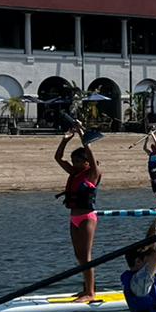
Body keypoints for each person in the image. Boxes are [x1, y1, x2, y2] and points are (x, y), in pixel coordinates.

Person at [54, 124, 101, 302]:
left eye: (79, 162)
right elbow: (58, 157)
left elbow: (90, 155)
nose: (75, 165)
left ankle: (90, 293)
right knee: (79, 255)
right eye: (74, 162)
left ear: (87, 162)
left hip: (87, 217)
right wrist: (65, 140)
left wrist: (84, 138)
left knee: (86, 255)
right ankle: (86, 289)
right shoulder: (74, 173)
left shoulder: (93, 174)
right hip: (74, 217)